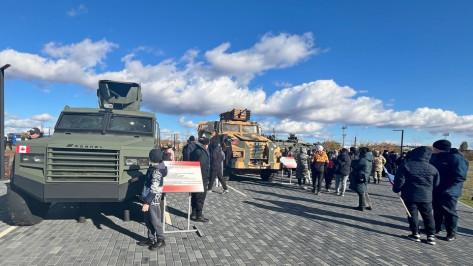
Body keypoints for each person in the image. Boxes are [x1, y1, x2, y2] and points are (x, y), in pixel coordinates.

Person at [392, 146, 440, 245]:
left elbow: (400, 181)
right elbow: (436, 183)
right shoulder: (433, 168)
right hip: (426, 196)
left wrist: (396, 189)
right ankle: (431, 235)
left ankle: (415, 233)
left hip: (410, 195)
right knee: (428, 215)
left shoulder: (406, 165)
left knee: (412, 214)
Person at [430, 139, 469, 241]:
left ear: (440, 149)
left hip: (449, 191)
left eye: (434, 148)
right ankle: (436, 228)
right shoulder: (437, 157)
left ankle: (451, 232)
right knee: (437, 210)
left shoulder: (456, 158)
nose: (433, 150)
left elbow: (460, 176)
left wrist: (446, 187)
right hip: (437, 189)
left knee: (449, 212)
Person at [134, 148, 168, 250]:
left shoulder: (157, 172)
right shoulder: (153, 167)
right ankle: (151, 239)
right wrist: (139, 178)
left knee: (155, 221)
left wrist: (147, 203)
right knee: (148, 220)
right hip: (148, 199)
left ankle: (161, 240)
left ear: (151, 158)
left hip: (153, 201)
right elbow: (148, 177)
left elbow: (154, 189)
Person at [190, 137, 211, 222]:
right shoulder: (202, 153)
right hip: (201, 177)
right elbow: (202, 166)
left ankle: (194, 213)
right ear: (205, 145)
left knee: (194, 195)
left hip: (195, 177)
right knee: (200, 196)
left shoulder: (195, 150)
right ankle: (199, 216)